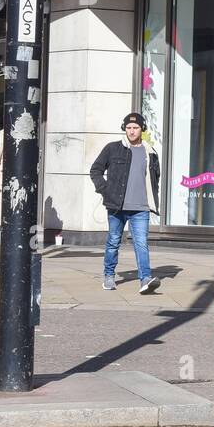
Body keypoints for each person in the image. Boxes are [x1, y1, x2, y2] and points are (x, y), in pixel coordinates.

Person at [89, 113, 161, 294]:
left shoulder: (150, 152)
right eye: (128, 128)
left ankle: (145, 278)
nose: (132, 131)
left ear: (142, 129)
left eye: (135, 128)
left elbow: (155, 178)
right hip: (117, 206)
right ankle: (109, 276)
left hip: (140, 208)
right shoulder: (113, 148)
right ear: (124, 129)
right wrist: (105, 190)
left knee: (141, 243)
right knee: (113, 241)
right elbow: (95, 170)